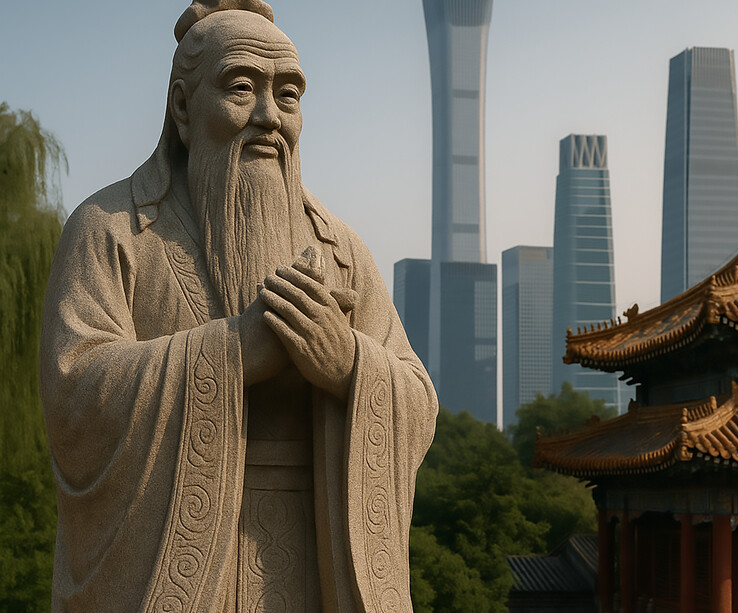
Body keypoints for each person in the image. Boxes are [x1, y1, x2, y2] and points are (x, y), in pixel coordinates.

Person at [38, 2, 438, 611]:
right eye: (242, 88)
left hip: (309, 563)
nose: (268, 117)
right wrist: (232, 351)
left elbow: (417, 397)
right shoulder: (111, 229)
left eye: (289, 95)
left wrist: (350, 365)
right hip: (170, 560)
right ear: (181, 108)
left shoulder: (341, 250)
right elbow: (74, 391)